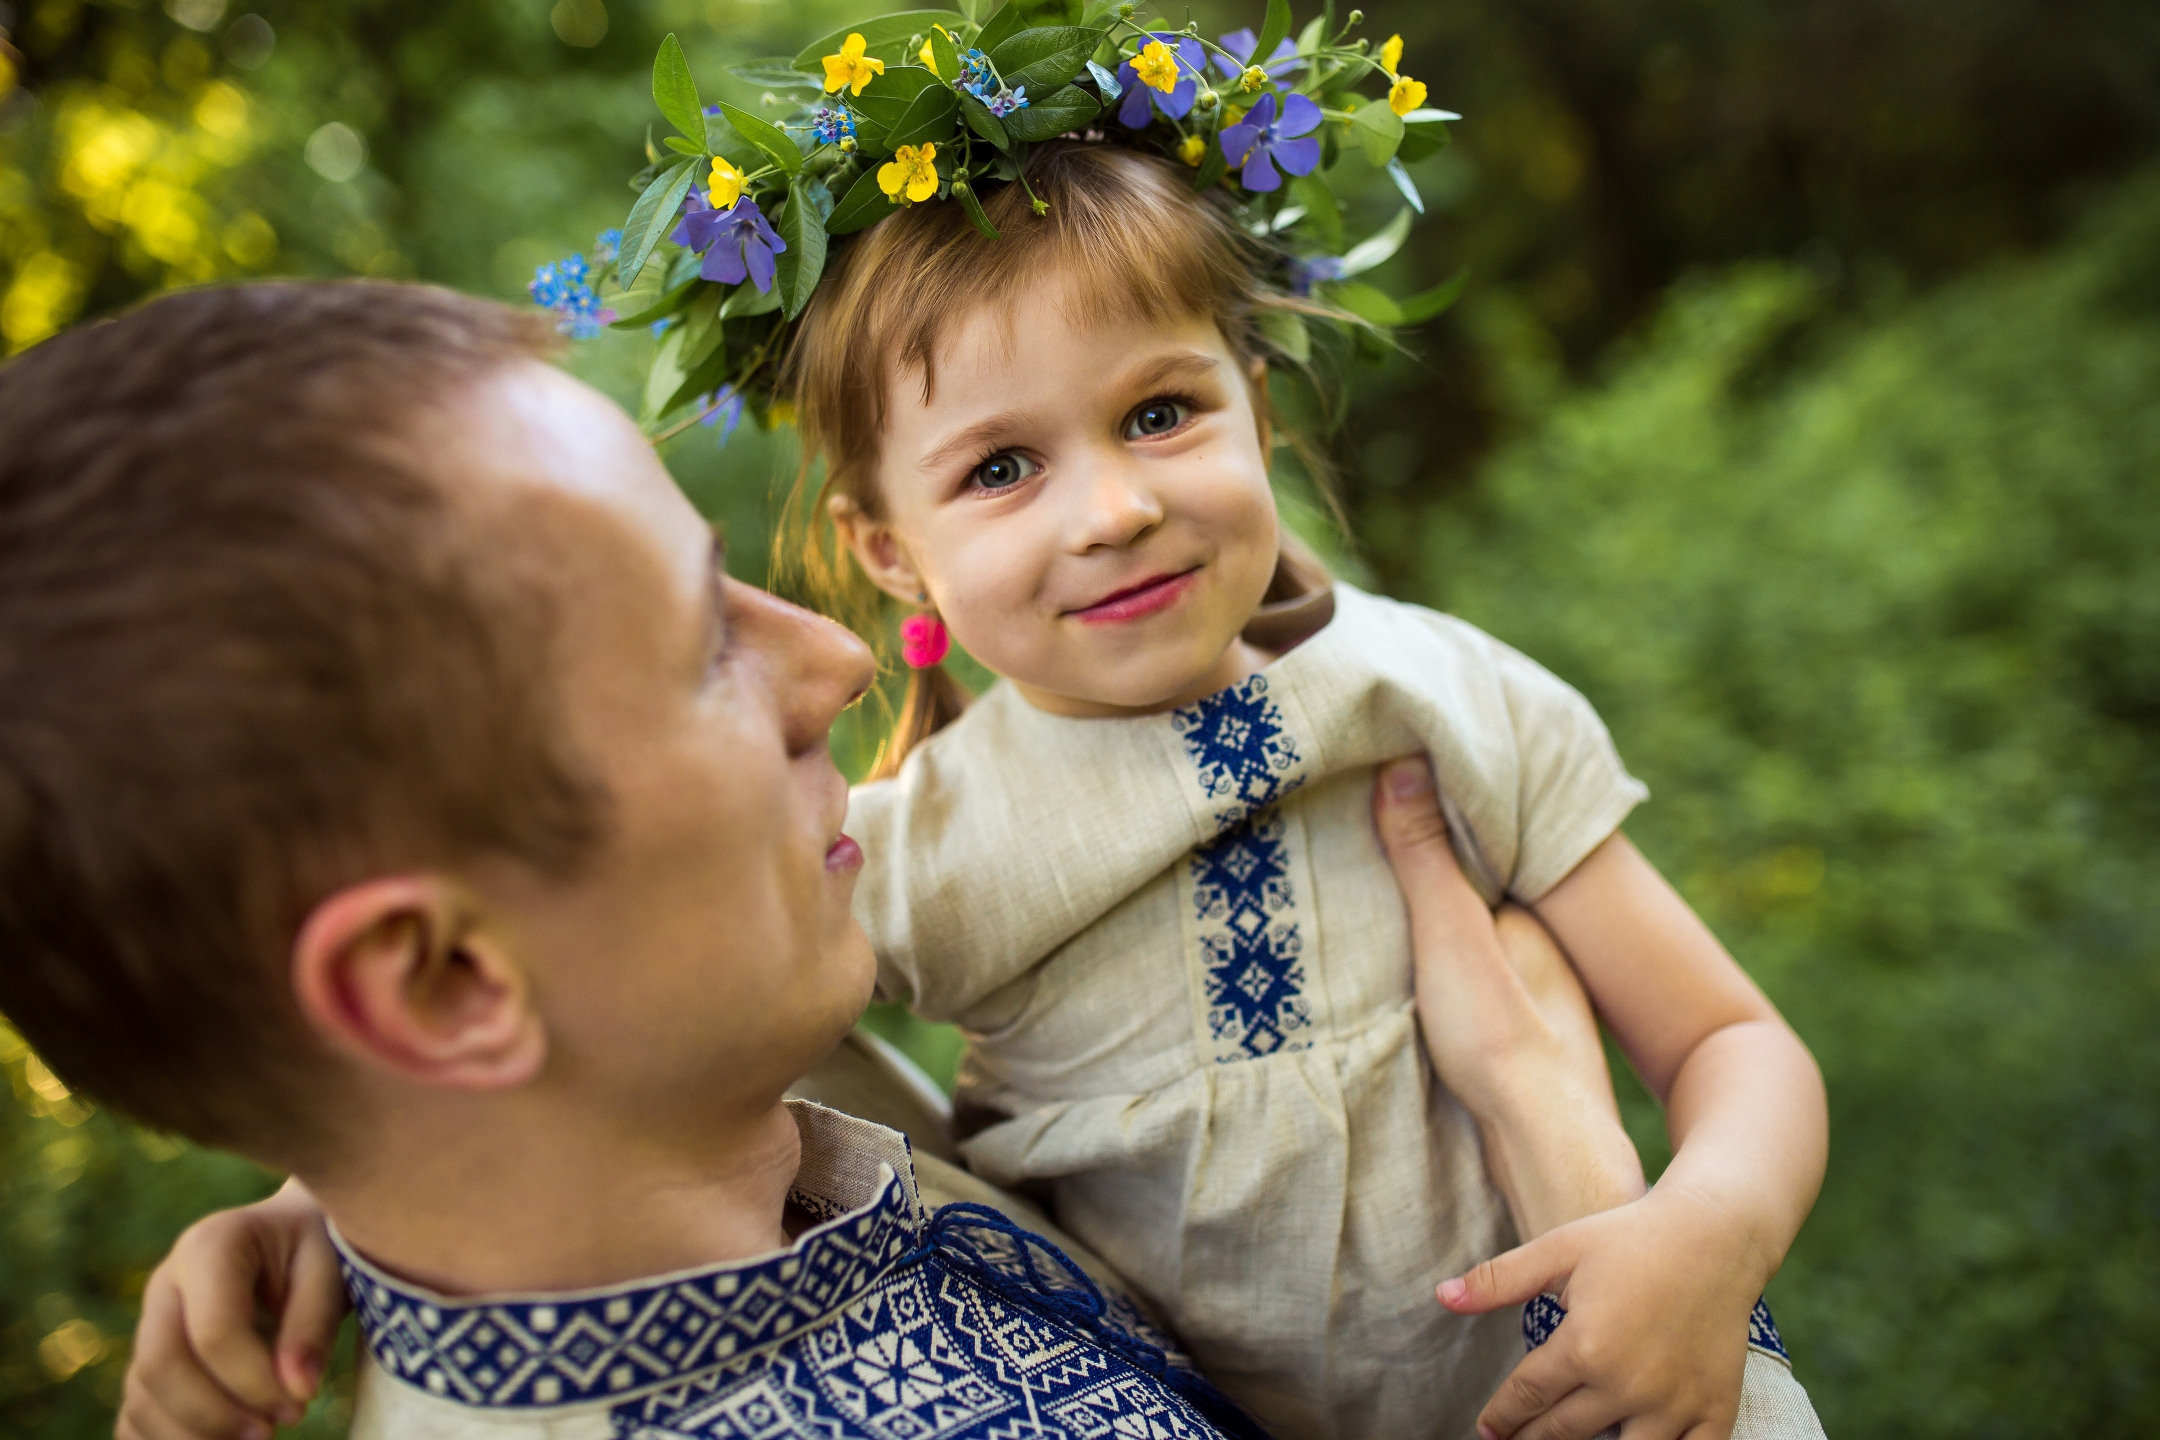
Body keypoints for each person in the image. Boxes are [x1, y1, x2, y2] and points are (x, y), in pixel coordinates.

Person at [0, 281, 1799, 1440]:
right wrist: (1559, 1118)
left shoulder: (743, 1103)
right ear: (447, 987)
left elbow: (515, 1102)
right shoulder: (916, 872)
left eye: (1164, 412)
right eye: (706, 643)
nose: (842, 666)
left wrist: (348, 1184)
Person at [790, 142, 1828, 1440]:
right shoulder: (909, 857)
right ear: (890, 549)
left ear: (1260, 415)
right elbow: (698, 1034)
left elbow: (1731, 1041)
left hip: (1581, 1390)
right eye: (1000, 469)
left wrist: (1712, 1229)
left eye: (1161, 413)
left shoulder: (1434, 698)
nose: (1113, 509)